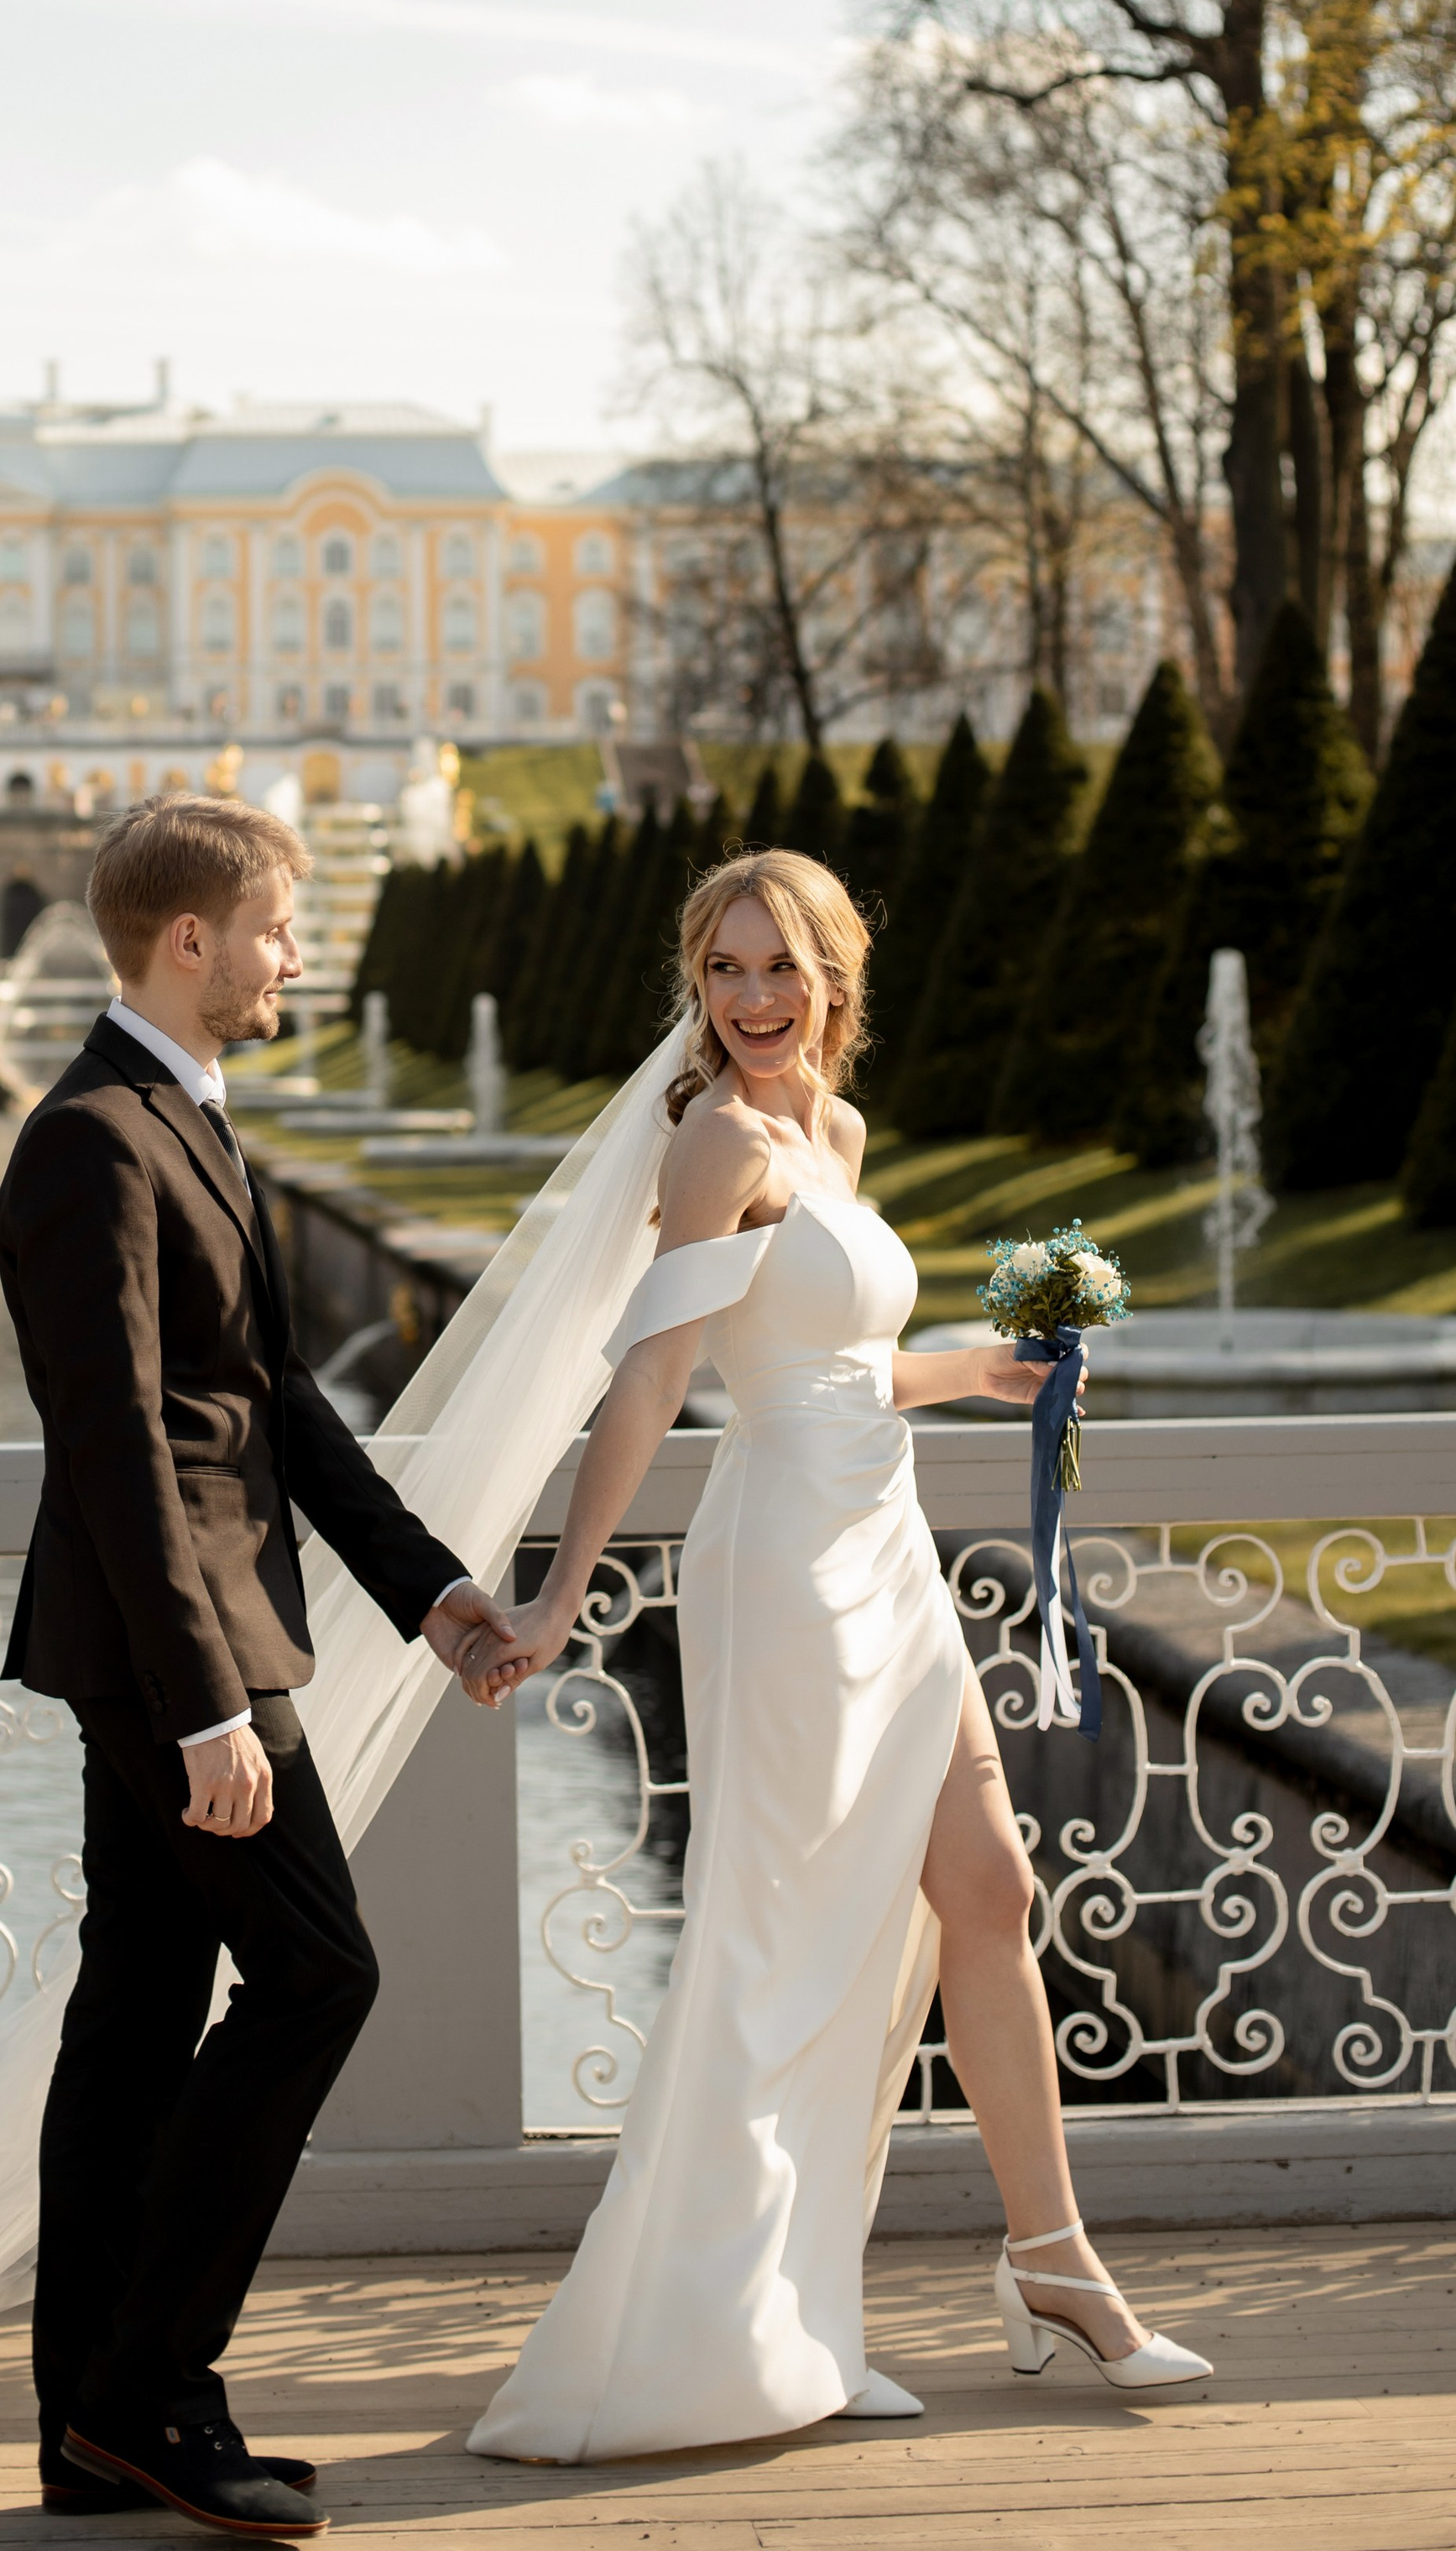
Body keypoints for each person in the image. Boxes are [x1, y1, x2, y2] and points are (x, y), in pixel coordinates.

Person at [452, 849, 1211, 2464]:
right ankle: (745, 2327)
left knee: (986, 1891)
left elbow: (844, 1362)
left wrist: (986, 1374)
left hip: (888, 1546)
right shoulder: (720, 1142)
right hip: (786, 1567)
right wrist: (561, 1592)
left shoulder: (835, 1133)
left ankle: (1045, 2262)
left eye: (778, 966)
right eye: (722, 971)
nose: (750, 999)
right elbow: (660, 1373)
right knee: (783, 1938)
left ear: (834, 976)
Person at [0, 793, 515, 2538]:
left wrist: (430, 1592)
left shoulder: (188, 1118)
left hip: (194, 1637)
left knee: (141, 2015)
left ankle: (90, 2430)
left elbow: (273, 1402)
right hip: (176, 1656)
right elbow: (120, 1455)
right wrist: (209, 1704)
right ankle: (152, 2388)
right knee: (316, 1977)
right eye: (279, 929)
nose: (297, 956)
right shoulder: (90, 1143)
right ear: (190, 939)